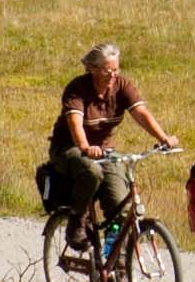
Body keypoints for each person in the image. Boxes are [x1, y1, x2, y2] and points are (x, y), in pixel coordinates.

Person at [50, 43, 179, 237]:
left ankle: (117, 259)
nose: (113, 75)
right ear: (92, 69)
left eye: (116, 70)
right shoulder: (78, 88)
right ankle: (77, 219)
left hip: (104, 150)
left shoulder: (122, 85)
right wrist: (85, 147)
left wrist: (163, 138)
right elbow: (75, 123)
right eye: (107, 70)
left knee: (119, 206)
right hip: (69, 147)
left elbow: (141, 114)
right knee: (91, 171)